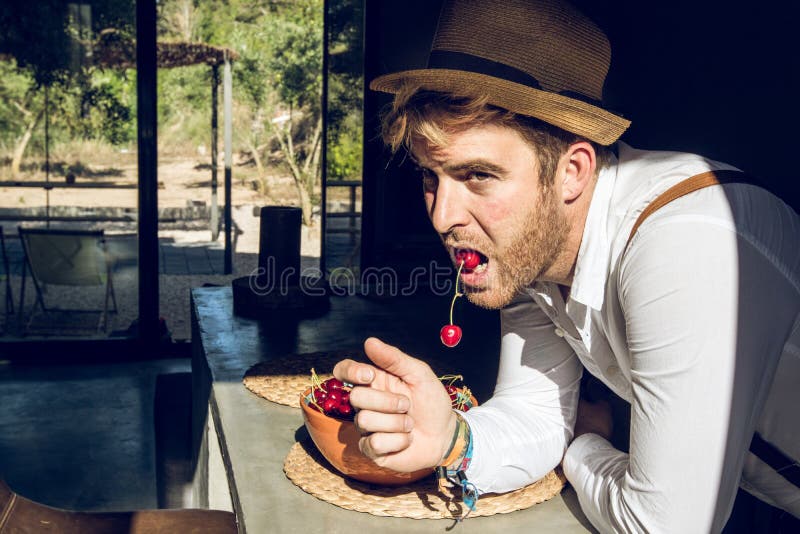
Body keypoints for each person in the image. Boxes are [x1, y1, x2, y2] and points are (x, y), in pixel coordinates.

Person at [332, 0, 800, 531]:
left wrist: (583, 448)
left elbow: (664, 526)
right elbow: (534, 414)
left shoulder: (680, 242)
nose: (442, 216)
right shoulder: (535, 250)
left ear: (573, 170)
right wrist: (451, 438)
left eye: (478, 175)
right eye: (430, 177)